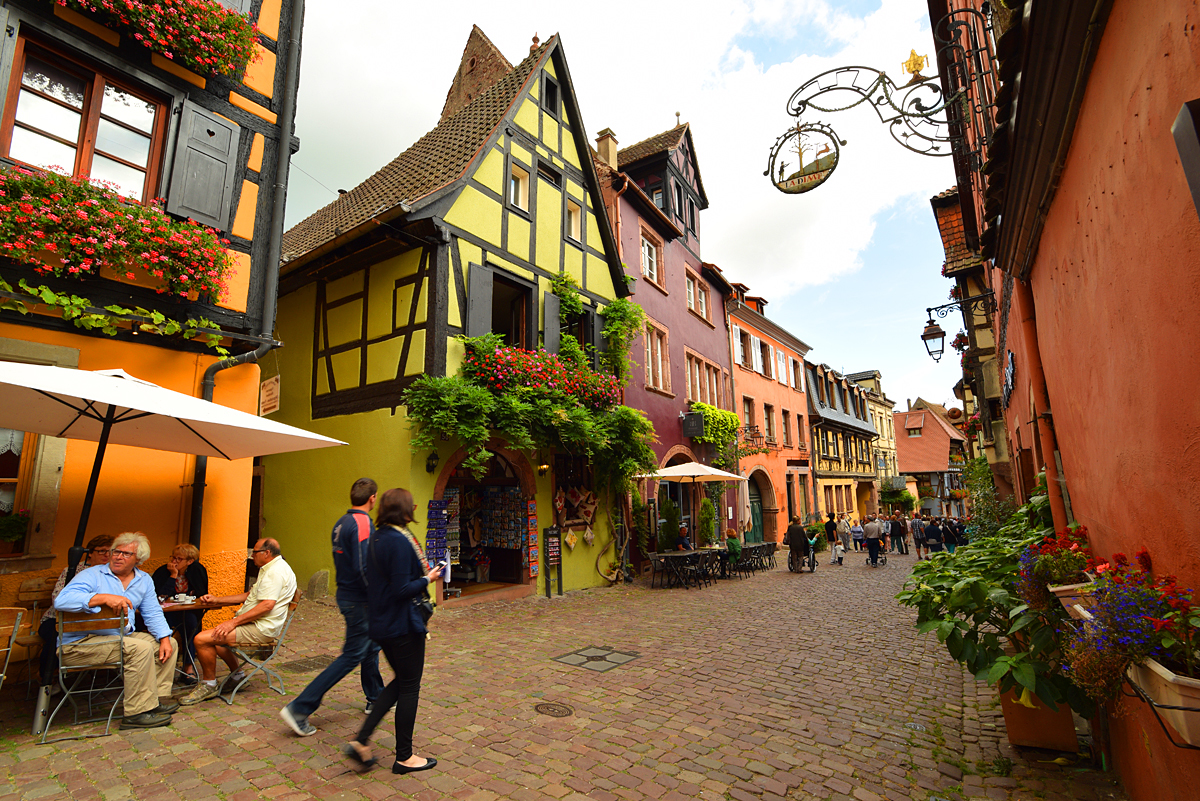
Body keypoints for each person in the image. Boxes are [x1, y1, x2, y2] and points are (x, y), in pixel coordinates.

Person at [343, 488, 441, 775]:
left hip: (383, 623)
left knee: (401, 682)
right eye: (412, 505)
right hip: (401, 624)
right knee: (410, 686)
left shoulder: (377, 536)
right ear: (404, 510)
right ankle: (405, 757)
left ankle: (361, 741)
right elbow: (401, 589)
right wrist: (428, 577)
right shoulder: (399, 542)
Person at [281, 478, 384, 736]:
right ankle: (300, 708)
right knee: (352, 655)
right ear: (372, 498)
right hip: (359, 599)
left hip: (347, 594)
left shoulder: (341, 522)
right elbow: (363, 566)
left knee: (371, 645)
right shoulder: (362, 523)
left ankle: (376, 697)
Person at [54, 532, 178, 730]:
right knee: (139, 648)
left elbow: (153, 612)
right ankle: (136, 713)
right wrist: (101, 597)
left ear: (139, 560)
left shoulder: (143, 579)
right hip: (80, 644)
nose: (118, 556)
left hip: (119, 637)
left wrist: (163, 637)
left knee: (169, 643)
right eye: (116, 551)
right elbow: (61, 601)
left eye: (126, 554)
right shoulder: (92, 574)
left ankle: (156, 700)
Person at [180, 538, 297, 705]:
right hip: (258, 624)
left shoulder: (275, 572)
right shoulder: (270, 568)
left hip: (261, 628)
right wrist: (218, 600)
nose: (251, 556)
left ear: (267, 553)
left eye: (254, 552)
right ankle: (238, 675)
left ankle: (209, 685)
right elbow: (251, 596)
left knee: (201, 639)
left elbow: (266, 605)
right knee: (218, 640)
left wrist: (233, 623)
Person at [37, 534, 113, 687]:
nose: (107, 555)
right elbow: (57, 598)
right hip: (59, 619)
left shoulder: (111, 573)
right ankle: (47, 678)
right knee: (56, 635)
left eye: (110, 552)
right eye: (102, 551)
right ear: (90, 552)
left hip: (94, 621)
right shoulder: (73, 571)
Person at [151, 543, 209, 681]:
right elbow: (159, 596)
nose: (174, 561)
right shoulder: (162, 571)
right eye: (173, 557)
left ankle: (188, 666)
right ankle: (159, 668)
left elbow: (201, 593)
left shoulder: (197, 570)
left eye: (179, 559)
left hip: (187, 611)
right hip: (164, 613)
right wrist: (173, 576)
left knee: (192, 625)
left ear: (189, 561)